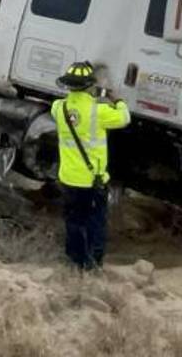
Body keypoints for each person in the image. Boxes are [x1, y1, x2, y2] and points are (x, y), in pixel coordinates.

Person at [51, 61, 131, 270]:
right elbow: (124, 118)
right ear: (89, 86)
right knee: (95, 223)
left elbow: (64, 109)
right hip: (92, 181)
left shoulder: (59, 108)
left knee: (74, 222)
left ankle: (74, 262)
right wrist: (119, 100)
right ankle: (93, 265)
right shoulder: (99, 110)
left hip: (68, 178)